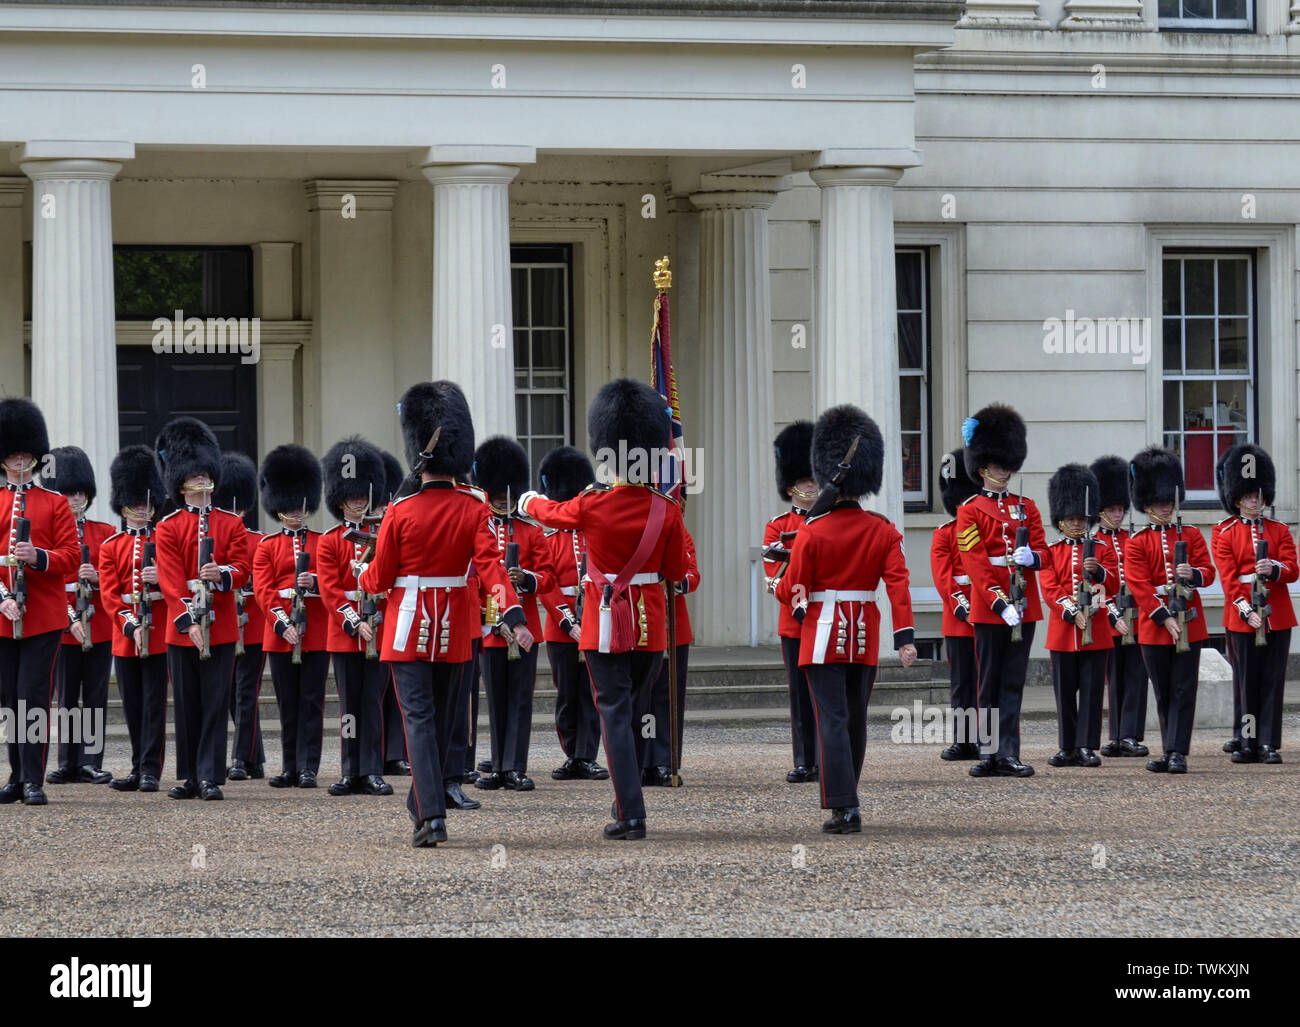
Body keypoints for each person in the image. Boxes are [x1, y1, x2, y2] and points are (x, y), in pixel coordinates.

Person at [358, 380, 531, 848]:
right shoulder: (474, 508)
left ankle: (430, 815)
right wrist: (515, 618)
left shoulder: (401, 510)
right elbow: (493, 569)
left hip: (407, 627)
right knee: (440, 722)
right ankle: (425, 803)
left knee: (418, 719)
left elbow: (381, 577)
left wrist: (363, 574)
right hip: (456, 630)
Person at [518, 377, 688, 841]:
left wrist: (527, 498)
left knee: (612, 710)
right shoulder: (665, 509)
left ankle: (629, 811)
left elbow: (549, 513)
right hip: (651, 627)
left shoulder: (592, 505)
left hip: (605, 623)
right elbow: (675, 572)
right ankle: (625, 797)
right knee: (632, 711)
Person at [775, 404, 915, 833]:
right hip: (865, 634)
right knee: (855, 718)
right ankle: (848, 795)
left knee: (831, 719)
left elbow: (792, 588)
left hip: (820, 634)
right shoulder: (883, 529)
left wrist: (777, 584)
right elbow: (898, 585)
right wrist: (904, 638)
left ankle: (844, 805)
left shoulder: (812, 531)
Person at [153, 417, 251, 801]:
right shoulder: (169, 526)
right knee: (187, 703)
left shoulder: (230, 524)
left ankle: (210, 775)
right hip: (183, 626)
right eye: (192, 476)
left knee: (214, 702)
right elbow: (170, 579)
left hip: (222, 622)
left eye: (203, 474)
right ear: (180, 482)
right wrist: (189, 621)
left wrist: (221, 572)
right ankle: (190, 776)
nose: (199, 481)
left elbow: (243, 569)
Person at [955, 404, 1043, 778]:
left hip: (1025, 603)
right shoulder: (969, 511)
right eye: (997, 465)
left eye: (1006, 465)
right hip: (992, 605)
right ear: (982, 468)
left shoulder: (1027, 507)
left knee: (1012, 682)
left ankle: (1008, 751)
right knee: (988, 682)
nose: (1003, 471)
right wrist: (997, 600)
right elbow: (974, 561)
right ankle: (988, 752)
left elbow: (1046, 552)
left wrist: (1032, 556)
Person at [0, 398, 79, 807]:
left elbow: (71, 557)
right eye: (12, 454)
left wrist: (39, 557)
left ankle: (33, 778)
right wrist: (2, 599)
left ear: (34, 456)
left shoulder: (55, 503)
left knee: (33, 696)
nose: (19, 460)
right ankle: (14, 776)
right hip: (2, 615)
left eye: (25, 454)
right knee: (9, 698)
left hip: (43, 615)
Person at [1124, 446, 1215, 775]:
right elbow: (1138, 585)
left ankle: (1178, 751)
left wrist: (1193, 574)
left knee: (1183, 689)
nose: (1165, 506)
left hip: (1190, 622)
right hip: (1154, 626)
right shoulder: (1137, 542)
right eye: (1159, 502)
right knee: (1163, 690)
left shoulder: (1190, 535)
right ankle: (1169, 748)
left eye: (1168, 501)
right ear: (1147, 504)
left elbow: (1209, 571)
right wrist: (1163, 617)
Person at [471, 436, 554, 793]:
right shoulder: (480, 527)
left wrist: (529, 579)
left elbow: (549, 576)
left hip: (526, 627)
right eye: (498, 496)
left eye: (508, 496)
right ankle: (498, 767)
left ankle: (515, 767)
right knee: (497, 701)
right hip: (491, 626)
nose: (504, 502)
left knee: (520, 699)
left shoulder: (532, 531)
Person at [316, 436, 393, 797]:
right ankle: (350, 770)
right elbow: (330, 590)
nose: (358, 503)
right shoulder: (331, 541)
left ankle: (373, 769)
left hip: (378, 625)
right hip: (347, 631)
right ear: (340, 501)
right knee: (349, 707)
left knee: (373, 704)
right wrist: (352, 620)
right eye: (352, 498)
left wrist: (374, 619)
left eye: (362, 497)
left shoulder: (382, 536)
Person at [1211, 443, 1295, 765]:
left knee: (1273, 681)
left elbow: (1292, 567)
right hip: (1242, 616)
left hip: (1277, 614)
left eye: (1259, 495)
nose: (1255, 500)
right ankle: (1247, 742)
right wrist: (1246, 611)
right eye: (1249, 496)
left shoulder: (1279, 530)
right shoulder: (1224, 532)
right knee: (1246, 682)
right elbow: (1229, 578)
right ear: (1237, 498)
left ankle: (1268, 744)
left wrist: (1273, 568)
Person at [252, 444, 327, 789]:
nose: (296, 510)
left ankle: (309, 766)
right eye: (290, 503)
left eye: (301, 503)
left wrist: (315, 584)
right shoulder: (267, 546)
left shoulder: (321, 542)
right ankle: (289, 765)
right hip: (280, 634)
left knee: (311, 701)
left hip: (315, 632)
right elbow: (264, 591)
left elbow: (333, 583)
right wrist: (282, 625)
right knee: (287, 704)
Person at [41, 446, 115, 786]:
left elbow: (118, 576)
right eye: (69, 493)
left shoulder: (103, 533)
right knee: (67, 696)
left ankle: (90, 760)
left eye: (80, 493)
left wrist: (98, 579)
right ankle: (67, 760)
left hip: (98, 623)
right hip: (64, 623)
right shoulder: (52, 533)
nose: (75, 499)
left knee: (96, 697)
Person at [1039, 464, 1120, 768]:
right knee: (1064, 692)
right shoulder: (1052, 550)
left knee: (1091, 691)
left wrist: (1097, 570)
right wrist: (1072, 612)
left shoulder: (1101, 548)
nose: (1076, 523)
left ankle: (1087, 745)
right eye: (1071, 519)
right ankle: (1067, 746)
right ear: (1060, 520)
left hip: (1097, 629)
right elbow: (1049, 586)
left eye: (1081, 519)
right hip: (1063, 630)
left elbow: (1113, 582)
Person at [536, 445, 608, 782]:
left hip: (593, 619)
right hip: (560, 625)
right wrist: (567, 620)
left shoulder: (595, 532)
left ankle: (587, 755)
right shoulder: (548, 536)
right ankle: (571, 753)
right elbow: (546, 584)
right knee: (566, 692)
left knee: (590, 693)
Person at [98, 445, 167, 793]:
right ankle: (138, 766)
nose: (143, 511)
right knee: (133, 705)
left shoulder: (162, 542)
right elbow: (110, 595)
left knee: (155, 704)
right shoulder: (111, 546)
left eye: (146, 505)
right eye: (137, 505)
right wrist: (130, 625)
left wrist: (162, 580)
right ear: (124, 507)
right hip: (126, 636)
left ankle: (152, 769)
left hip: (159, 632)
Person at [763, 420, 819, 782]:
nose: (811, 487)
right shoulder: (777, 526)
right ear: (791, 487)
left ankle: (827, 758)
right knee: (799, 696)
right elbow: (774, 577)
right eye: (805, 482)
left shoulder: (829, 521)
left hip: (827, 615)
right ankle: (804, 760)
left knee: (825, 695)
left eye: (814, 480)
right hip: (794, 618)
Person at [1091, 455, 1149, 758]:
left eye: (1121, 509)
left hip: (1137, 617)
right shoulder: (1094, 543)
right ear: (1101, 510)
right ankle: (1115, 735)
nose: (1118, 514)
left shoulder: (1133, 540)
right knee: (1113, 679)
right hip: (1109, 618)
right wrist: (1113, 617)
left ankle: (1130, 734)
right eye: (1112, 509)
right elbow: (1097, 587)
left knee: (1136, 678)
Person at [215, 452, 267, 781]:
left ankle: (239, 759)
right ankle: (255, 757)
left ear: (244, 508)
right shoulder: (216, 540)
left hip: (254, 625)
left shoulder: (259, 541)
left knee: (246, 692)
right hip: (224, 624)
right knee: (230, 693)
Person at [643, 490, 698, 786]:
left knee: (667, 698)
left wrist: (676, 582)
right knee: (644, 697)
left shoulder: (683, 536)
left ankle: (664, 760)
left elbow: (692, 575)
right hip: (646, 625)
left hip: (674, 628)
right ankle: (643, 758)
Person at [930, 447, 980, 761]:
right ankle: (964, 740)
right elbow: (943, 577)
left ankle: (986, 738)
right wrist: (963, 606)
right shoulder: (944, 534)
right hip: (960, 618)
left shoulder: (984, 531)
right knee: (962, 683)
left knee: (986, 681)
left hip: (991, 613)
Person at [379, 448, 410, 778]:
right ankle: (376, 753)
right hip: (379, 622)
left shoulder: (395, 514)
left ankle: (396, 754)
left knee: (396, 698)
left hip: (398, 619)